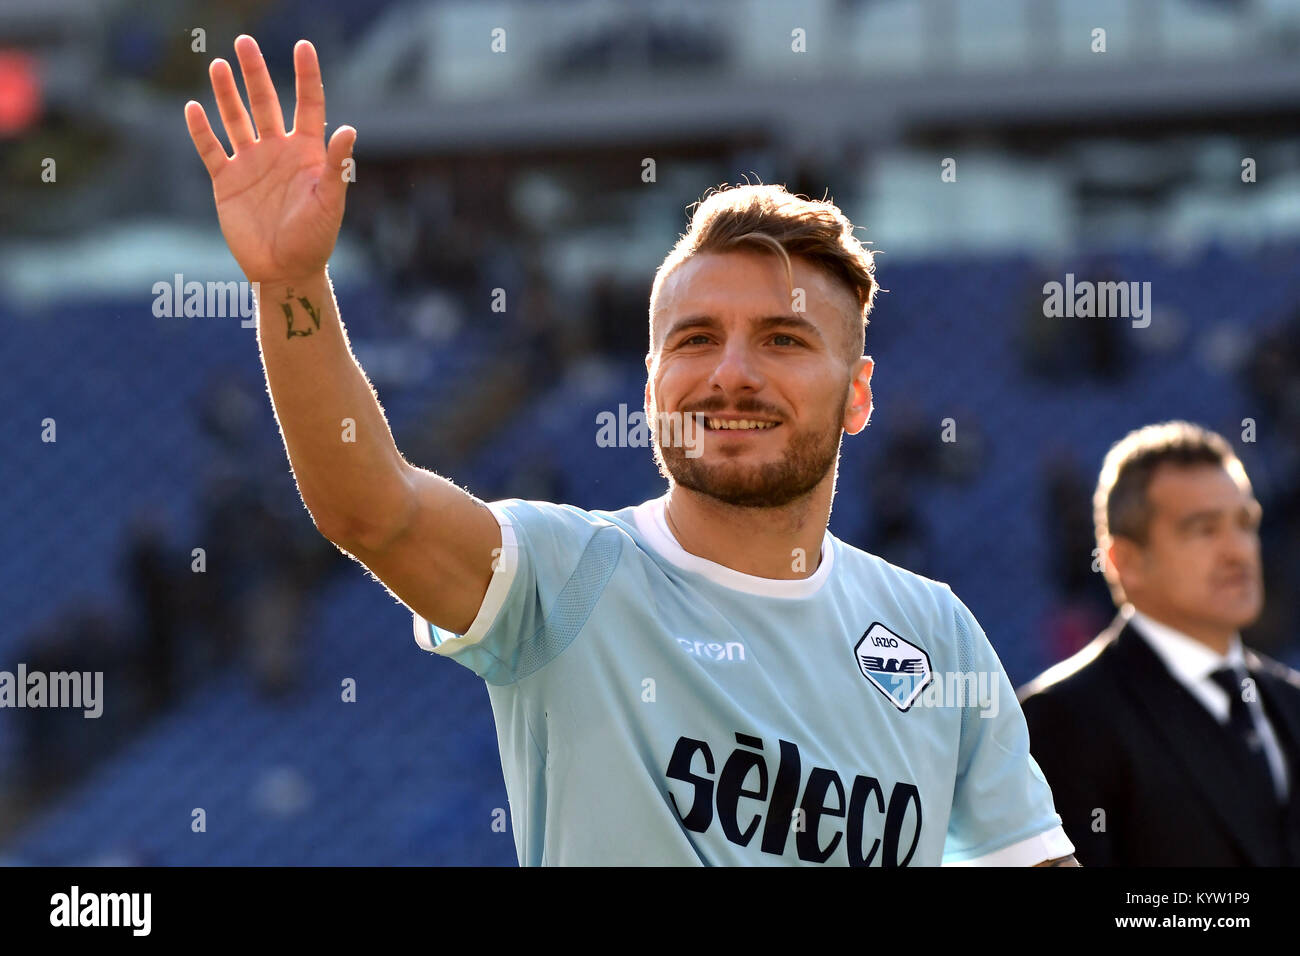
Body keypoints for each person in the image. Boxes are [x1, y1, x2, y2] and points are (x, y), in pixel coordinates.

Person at [184, 35, 1076, 866]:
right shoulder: (563, 574)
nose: (731, 374)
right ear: (650, 391)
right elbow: (370, 509)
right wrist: (293, 284)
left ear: (859, 395)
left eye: (784, 340)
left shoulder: (936, 632)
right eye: (695, 340)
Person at [1019, 421, 1300, 865]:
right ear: (1125, 560)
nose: (1238, 550)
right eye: (1203, 529)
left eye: (1245, 522)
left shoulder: (1291, 701)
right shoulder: (1063, 718)